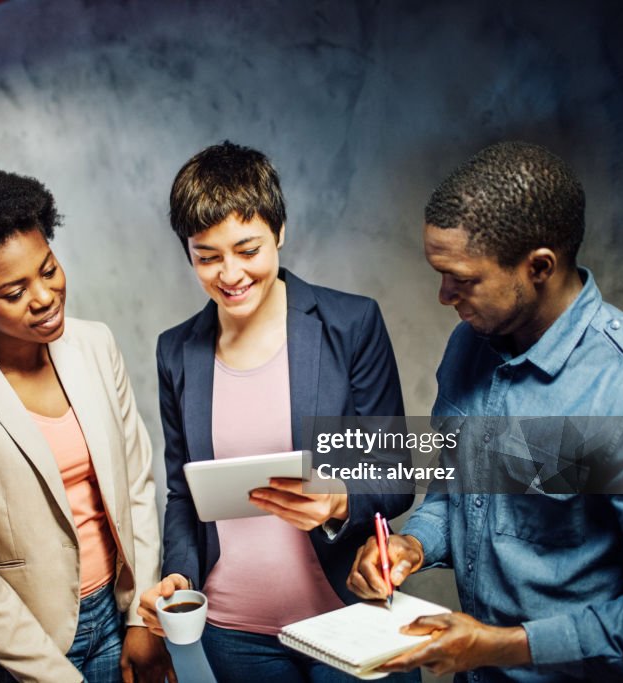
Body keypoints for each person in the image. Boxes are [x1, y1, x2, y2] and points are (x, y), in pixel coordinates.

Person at [348, 141, 623, 681]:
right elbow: (458, 488)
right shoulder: (470, 344)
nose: (444, 295)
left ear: (538, 266)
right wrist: (413, 545)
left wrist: (505, 646)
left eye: (464, 278)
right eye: (440, 273)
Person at [137, 142, 415, 682]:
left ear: (279, 232)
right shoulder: (177, 351)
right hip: (233, 631)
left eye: (248, 249)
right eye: (208, 256)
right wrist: (177, 576)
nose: (230, 273)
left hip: (347, 615)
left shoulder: (350, 324)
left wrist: (338, 500)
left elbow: (394, 471)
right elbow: (181, 493)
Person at [0, 171, 173, 683]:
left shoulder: (95, 345)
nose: (44, 296)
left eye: (48, 270)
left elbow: (136, 484)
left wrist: (141, 617)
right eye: (14, 290)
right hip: (21, 642)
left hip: (118, 612)